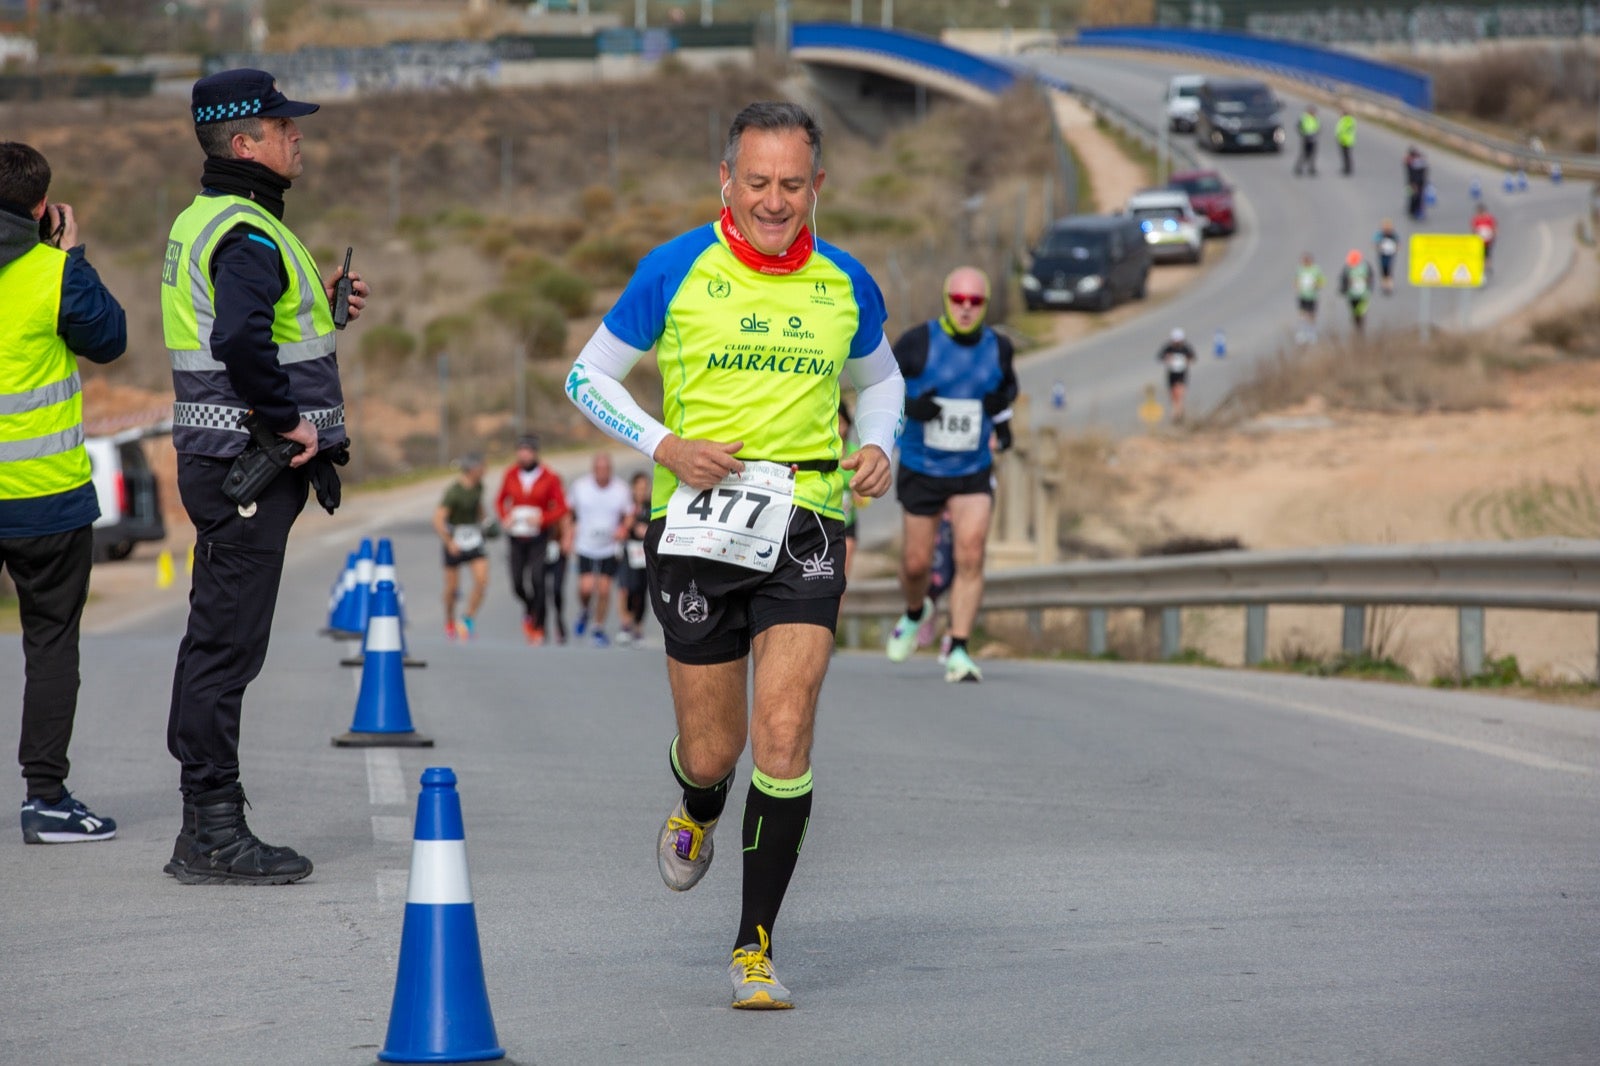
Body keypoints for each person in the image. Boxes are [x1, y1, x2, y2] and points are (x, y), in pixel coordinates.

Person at [565, 101, 902, 1009]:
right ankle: (698, 806)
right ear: (727, 181)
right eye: (758, 182)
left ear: (818, 187)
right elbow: (586, 376)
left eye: (793, 184)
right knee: (716, 749)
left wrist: (880, 443)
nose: (775, 200)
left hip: (808, 520)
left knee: (783, 734)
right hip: (697, 529)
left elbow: (881, 382)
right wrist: (663, 445)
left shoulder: (844, 281)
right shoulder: (676, 267)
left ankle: (753, 947)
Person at [162, 70, 367, 885]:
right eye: (284, 128)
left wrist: (320, 302)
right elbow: (243, 344)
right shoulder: (245, 234)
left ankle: (206, 822)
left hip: (219, 462)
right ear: (245, 145)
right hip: (244, 465)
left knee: (217, 643)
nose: (298, 137)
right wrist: (287, 421)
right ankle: (211, 829)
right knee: (225, 650)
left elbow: (253, 323)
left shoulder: (209, 220)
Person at [1, 141, 127, 844]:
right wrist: (72, 255)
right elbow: (110, 339)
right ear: (44, 209)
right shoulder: (54, 274)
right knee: (50, 646)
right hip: (45, 500)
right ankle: (45, 800)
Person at [885, 265, 1017, 684]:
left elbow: (1005, 390)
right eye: (958, 300)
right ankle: (915, 610)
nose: (965, 309)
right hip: (922, 467)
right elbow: (881, 383)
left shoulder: (999, 347)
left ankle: (959, 647)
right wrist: (911, 406)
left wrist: (1003, 420)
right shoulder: (919, 342)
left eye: (974, 302)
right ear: (946, 300)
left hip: (972, 469)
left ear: (985, 305)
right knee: (915, 563)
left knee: (971, 553)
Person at [495, 433, 568, 644]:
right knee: (517, 582)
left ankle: (538, 625)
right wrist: (504, 517)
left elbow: (562, 507)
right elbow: (500, 501)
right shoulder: (510, 474)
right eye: (520, 450)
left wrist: (543, 518)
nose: (523, 455)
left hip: (538, 537)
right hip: (516, 536)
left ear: (535, 453)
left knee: (537, 579)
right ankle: (529, 607)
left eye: (527, 451)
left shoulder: (549, 477)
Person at [568, 452, 634, 647]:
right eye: (599, 469)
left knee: (604, 589)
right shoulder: (580, 487)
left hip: (609, 546)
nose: (603, 473)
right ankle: (585, 610)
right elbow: (569, 512)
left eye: (606, 469)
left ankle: (597, 628)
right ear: (593, 470)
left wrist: (624, 528)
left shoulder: (620, 489)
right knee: (586, 587)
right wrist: (567, 535)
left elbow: (629, 513)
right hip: (586, 544)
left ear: (611, 470)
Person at [435, 454, 491, 640]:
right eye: (482, 467)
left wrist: (487, 524)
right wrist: (449, 542)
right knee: (452, 588)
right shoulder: (454, 492)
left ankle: (468, 618)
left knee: (482, 580)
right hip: (455, 541)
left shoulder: (479, 487)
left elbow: (478, 508)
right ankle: (449, 619)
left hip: (473, 540)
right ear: (472, 470)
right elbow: (438, 519)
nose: (485, 470)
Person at [617, 470, 652, 644]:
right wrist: (628, 524)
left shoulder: (651, 506)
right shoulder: (626, 506)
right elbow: (619, 530)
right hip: (628, 551)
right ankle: (625, 624)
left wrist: (648, 532)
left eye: (644, 488)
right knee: (625, 589)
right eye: (638, 488)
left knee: (640, 590)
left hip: (644, 553)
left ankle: (638, 626)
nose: (641, 491)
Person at [1156, 327, 1196, 423]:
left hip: (1182, 373)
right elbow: (1160, 356)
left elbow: (1192, 357)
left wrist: (1187, 360)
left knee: (1180, 393)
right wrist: (1167, 358)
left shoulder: (1185, 348)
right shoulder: (1169, 348)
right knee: (1173, 395)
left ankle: (1178, 413)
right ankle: (1176, 413)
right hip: (1172, 374)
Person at [1339, 248, 1374, 335]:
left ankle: (1360, 328)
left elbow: (1371, 278)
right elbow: (1344, 280)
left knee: (1361, 312)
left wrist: (1369, 286)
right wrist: (1344, 289)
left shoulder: (1365, 266)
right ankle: (1357, 327)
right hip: (1352, 295)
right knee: (1354, 313)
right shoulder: (1347, 268)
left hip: (1363, 295)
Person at [1294, 252, 1324, 345]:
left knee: (1311, 314)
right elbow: (1296, 281)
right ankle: (1303, 332)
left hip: (1312, 295)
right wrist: (1297, 286)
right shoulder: (1300, 269)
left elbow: (1321, 281)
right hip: (1302, 295)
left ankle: (1312, 333)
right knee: (1302, 314)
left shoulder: (1316, 270)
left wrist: (1316, 285)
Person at [1374, 218, 1400, 296]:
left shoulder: (1393, 235)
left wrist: (1394, 249)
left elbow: (1398, 244)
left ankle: (1388, 285)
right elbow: (1375, 243)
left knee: (1389, 269)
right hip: (1382, 255)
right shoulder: (1380, 235)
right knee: (1383, 269)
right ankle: (1385, 284)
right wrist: (1380, 248)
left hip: (1390, 255)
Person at [1472, 201, 1498, 280]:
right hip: (1479, 240)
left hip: (1488, 240)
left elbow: (1494, 227)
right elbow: (1474, 229)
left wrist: (1494, 236)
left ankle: (1488, 266)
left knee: (1487, 253)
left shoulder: (1489, 219)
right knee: (1481, 254)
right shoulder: (1476, 219)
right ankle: (1483, 266)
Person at [1293, 104, 1319, 177]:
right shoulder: (1304, 117)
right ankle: (1299, 168)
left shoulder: (1315, 118)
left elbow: (1318, 127)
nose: (1313, 112)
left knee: (1312, 154)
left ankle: (1311, 169)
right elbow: (1298, 126)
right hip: (1306, 138)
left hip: (1313, 138)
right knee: (1304, 154)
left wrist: (1316, 133)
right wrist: (1302, 133)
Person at [1404, 146, 1429, 222]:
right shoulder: (1410, 162)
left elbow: (1424, 170)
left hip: (1417, 183)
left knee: (1416, 197)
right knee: (1413, 197)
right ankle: (1413, 211)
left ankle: (1414, 211)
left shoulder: (1415, 162)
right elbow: (1413, 174)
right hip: (1413, 183)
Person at [1335, 108, 1356, 176]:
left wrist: (1338, 137)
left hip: (1344, 140)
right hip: (1349, 140)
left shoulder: (1344, 120)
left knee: (1346, 155)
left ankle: (1347, 169)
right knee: (1347, 155)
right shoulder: (1352, 120)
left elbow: (1340, 130)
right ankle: (1348, 168)